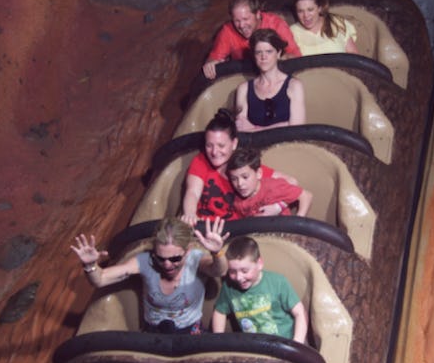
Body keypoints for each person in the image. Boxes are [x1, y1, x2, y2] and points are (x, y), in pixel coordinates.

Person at [71, 217, 229, 335]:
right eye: (161, 258)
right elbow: (100, 279)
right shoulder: (145, 261)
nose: (167, 265)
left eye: (175, 259)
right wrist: (90, 265)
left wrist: (217, 253)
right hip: (153, 333)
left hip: (191, 333)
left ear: (187, 251)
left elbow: (219, 270)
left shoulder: (195, 259)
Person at [181, 109, 298, 226]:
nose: (214, 152)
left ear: (234, 143)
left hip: (234, 231)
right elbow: (193, 192)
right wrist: (190, 214)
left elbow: (292, 182)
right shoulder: (201, 160)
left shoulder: (244, 167)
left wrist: (277, 207)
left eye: (221, 145)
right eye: (209, 145)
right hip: (204, 226)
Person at [211, 236, 308, 343]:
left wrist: (297, 342)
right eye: (232, 271)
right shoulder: (229, 287)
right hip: (254, 347)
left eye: (245, 271)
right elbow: (220, 312)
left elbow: (300, 312)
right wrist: (219, 340)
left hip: (284, 344)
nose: (238, 277)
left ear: (259, 264)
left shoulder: (278, 282)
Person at [202, 0, 301, 80]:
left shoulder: (276, 24)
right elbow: (213, 60)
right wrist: (210, 65)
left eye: (245, 19)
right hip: (243, 79)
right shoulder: (227, 31)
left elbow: (296, 58)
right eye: (237, 21)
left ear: (258, 14)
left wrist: (275, 59)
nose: (241, 25)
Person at [235, 29, 306, 133]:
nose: (263, 57)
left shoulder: (294, 86)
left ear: (278, 53)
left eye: (269, 51)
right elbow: (242, 129)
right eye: (259, 52)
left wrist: (256, 129)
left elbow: (296, 129)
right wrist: (284, 124)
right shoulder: (244, 89)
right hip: (254, 147)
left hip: (288, 146)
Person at [227, 147, 312, 218]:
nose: (240, 184)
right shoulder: (238, 202)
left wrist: (296, 224)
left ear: (259, 173)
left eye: (245, 177)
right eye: (234, 179)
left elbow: (306, 196)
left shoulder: (272, 187)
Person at [290, 0, 359, 55]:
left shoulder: (337, 22)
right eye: (300, 11)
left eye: (310, 10)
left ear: (319, 8)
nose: (306, 15)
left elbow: (354, 56)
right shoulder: (292, 32)